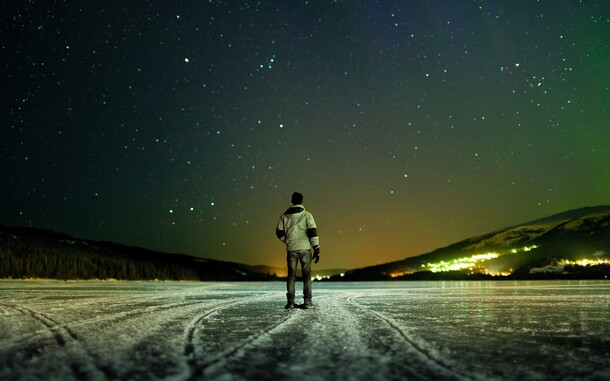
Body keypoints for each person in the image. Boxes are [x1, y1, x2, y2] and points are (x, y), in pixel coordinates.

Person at [276, 192, 320, 309]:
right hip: (305, 249)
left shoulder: (284, 216)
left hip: (292, 249)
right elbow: (312, 232)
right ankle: (307, 302)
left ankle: (290, 302)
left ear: (292, 201)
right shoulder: (307, 215)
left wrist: (288, 241)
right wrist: (316, 247)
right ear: (302, 201)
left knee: (291, 276)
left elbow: (279, 232)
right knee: (306, 276)